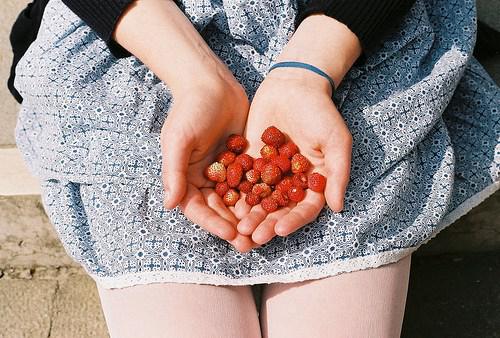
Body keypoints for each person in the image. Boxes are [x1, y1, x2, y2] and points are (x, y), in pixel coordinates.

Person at [8, 0, 499, 337]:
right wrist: (194, 74)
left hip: (342, 35)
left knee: (353, 185)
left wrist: (309, 69)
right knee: (153, 182)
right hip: (139, 33)